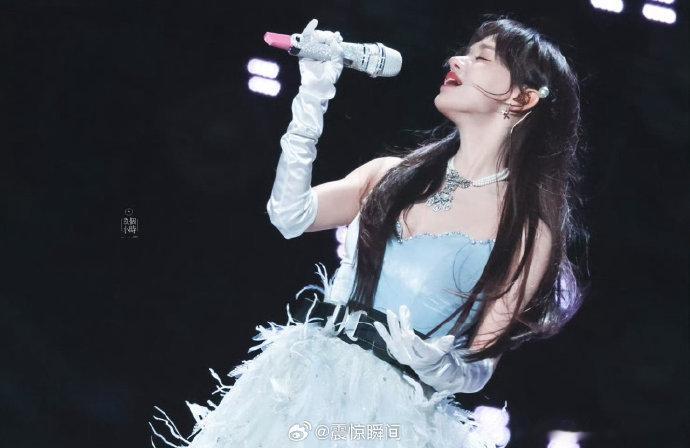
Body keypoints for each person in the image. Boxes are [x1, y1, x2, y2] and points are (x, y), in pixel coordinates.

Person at [150, 14, 589, 448]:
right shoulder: (391, 176)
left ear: (522, 98)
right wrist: (313, 97)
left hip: (393, 421)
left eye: (482, 57)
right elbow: (289, 214)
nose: (456, 60)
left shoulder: (525, 232)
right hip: (302, 385)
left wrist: (440, 367)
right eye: (464, 52)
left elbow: (481, 366)